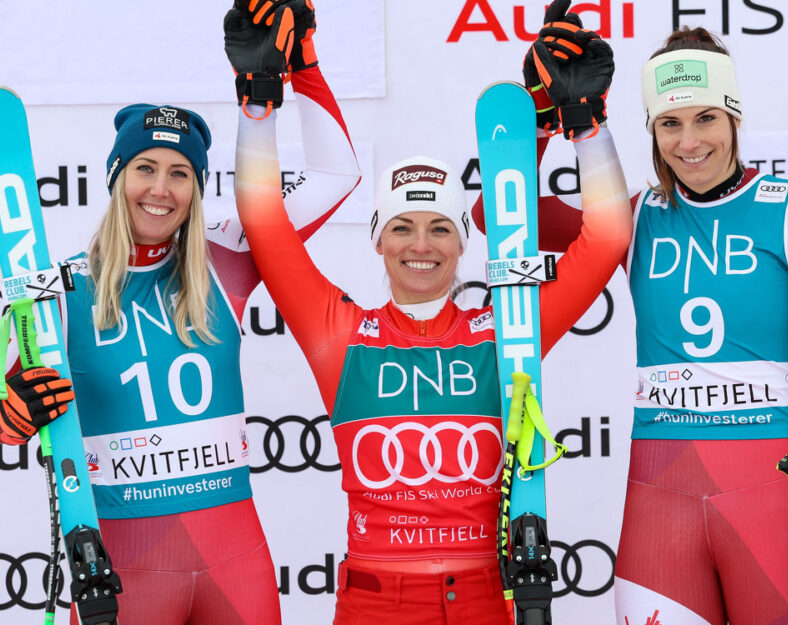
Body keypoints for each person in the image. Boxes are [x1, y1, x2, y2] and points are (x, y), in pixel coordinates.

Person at [483, 20, 788, 625]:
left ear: (735, 119)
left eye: (707, 118)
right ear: (652, 130)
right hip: (661, 506)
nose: (689, 142)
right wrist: (558, 118)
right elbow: (500, 213)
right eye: (670, 123)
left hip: (774, 502)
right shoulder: (632, 221)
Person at [224, 2, 632, 623]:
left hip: (485, 596)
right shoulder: (340, 333)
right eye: (403, 228)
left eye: (440, 227)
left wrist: (586, 126)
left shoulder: (506, 330)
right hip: (374, 601)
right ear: (378, 241)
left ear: (462, 243)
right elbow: (264, 220)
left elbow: (605, 235)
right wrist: (259, 102)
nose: (421, 245)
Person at [0, 3, 360, 623]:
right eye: (145, 167)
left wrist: (297, 68)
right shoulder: (62, 287)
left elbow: (336, 174)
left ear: (198, 191)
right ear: (118, 177)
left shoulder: (228, 255)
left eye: (181, 174)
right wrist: (10, 416)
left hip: (236, 563)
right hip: (124, 568)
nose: (161, 187)